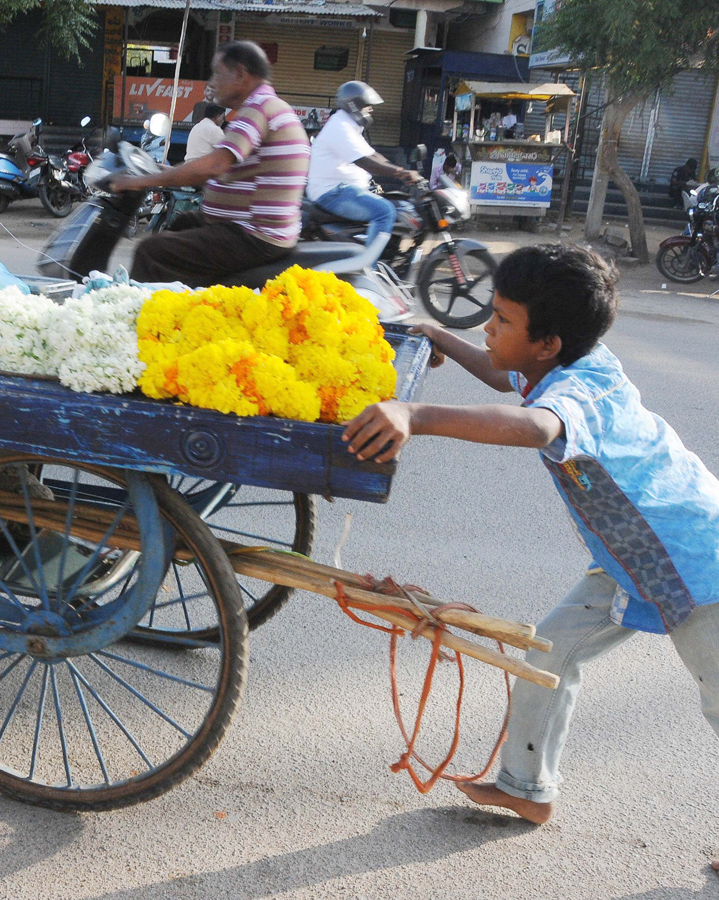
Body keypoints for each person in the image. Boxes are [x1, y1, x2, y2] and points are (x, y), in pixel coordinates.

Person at [342, 244, 719, 836]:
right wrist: (436, 335)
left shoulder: (575, 394)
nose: (488, 328)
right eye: (491, 314)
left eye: (503, 321)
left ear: (547, 344)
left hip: (695, 564)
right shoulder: (566, 360)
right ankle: (528, 789)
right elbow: (500, 371)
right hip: (627, 561)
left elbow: (537, 426)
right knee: (551, 652)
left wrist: (416, 415)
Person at [110, 41, 310, 287]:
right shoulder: (264, 106)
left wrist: (139, 181)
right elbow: (225, 166)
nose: (212, 82)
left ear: (239, 74)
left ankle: (144, 320)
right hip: (248, 228)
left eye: (217, 72)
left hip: (254, 234)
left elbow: (214, 165)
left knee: (151, 252)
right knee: (181, 225)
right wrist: (168, 172)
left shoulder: (259, 108)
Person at [305, 81, 422, 267]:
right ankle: (369, 268)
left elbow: (373, 155)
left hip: (342, 188)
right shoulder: (340, 126)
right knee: (384, 212)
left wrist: (402, 171)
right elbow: (366, 162)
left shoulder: (349, 125)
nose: (371, 110)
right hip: (332, 192)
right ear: (354, 105)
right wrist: (400, 172)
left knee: (397, 205)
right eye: (367, 106)